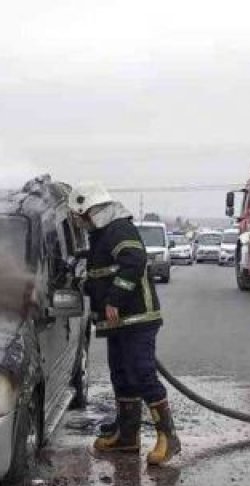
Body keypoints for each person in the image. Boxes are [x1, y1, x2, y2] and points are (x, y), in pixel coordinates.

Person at [70, 182, 180, 466]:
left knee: (143, 374)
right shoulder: (102, 234)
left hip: (136, 318)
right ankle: (127, 436)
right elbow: (102, 273)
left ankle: (169, 439)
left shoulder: (119, 228)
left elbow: (134, 261)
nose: (80, 223)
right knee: (122, 375)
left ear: (91, 211)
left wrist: (115, 299)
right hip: (119, 323)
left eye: (80, 217)